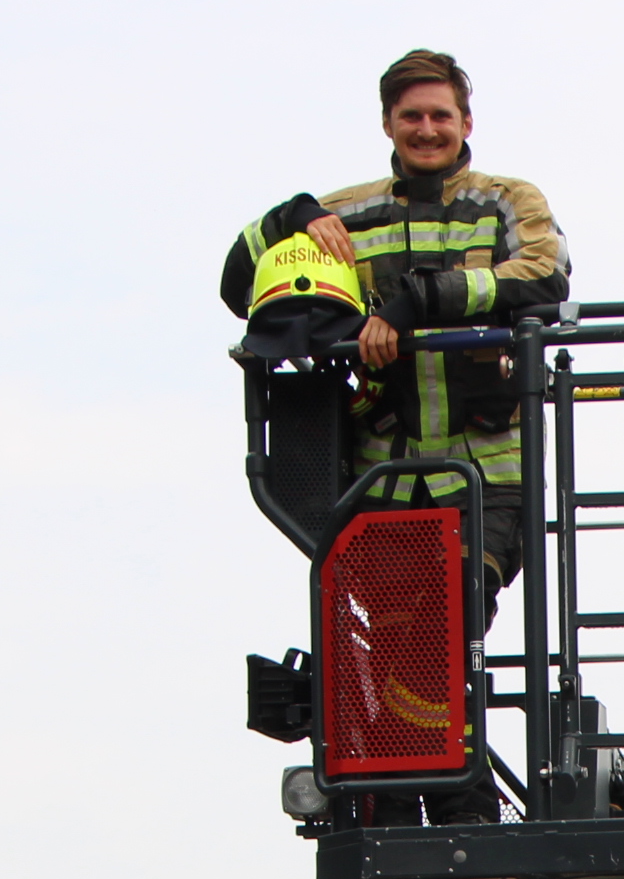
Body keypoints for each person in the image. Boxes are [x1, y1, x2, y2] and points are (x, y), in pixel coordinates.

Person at [219, 47, 568, 618]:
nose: (426, 130)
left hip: (491, 472)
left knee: (458, 604)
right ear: (388, 123)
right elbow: (241, 288)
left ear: (466, 123)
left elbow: (543, 277)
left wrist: (415, 305)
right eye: (411, 117)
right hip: (382, 477)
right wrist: (293, 216)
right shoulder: (345, 213)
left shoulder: (509, 200)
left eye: (440, 116)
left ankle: (440, 706)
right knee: (392, 633)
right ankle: (438, 710)